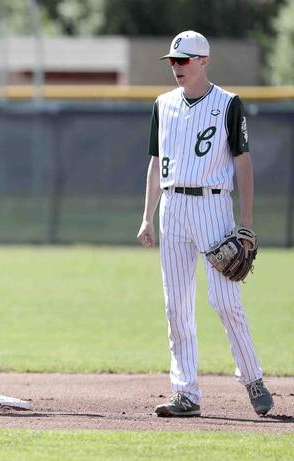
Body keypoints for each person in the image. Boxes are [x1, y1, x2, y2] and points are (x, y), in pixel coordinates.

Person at [137, 31, 273, 417]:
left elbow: (243, 163)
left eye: (184, 60)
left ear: (204, 61)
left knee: (225, 300)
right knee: (176, 306)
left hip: (213, 207)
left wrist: (245, 224)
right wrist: (148, 216)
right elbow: (155, 162)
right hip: (173, 208)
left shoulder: (228, 103)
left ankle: (252, 378)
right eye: (173, 61)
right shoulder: (162, 104)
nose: (176, 67)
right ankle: (186, 394)